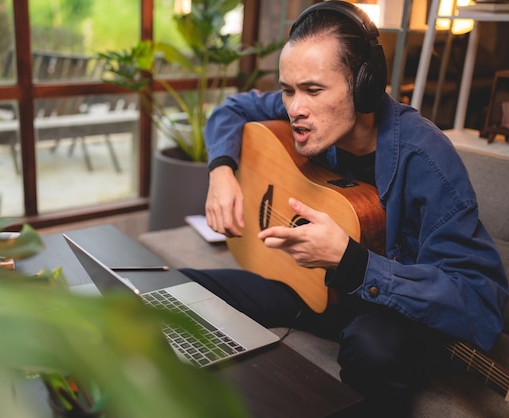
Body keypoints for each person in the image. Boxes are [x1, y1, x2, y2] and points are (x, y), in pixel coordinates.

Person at [179, 1, 508, 415]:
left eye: (313, 90)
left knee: (371, 349)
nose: (295, 108)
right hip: (314, 289)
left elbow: (479, 303)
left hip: (385, 310)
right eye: (287, 90)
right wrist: (222, 170)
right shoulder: (308, 116)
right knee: (182, 287)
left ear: (364, 86)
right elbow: (232, 109)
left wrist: (352, 262)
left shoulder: (427, 161)